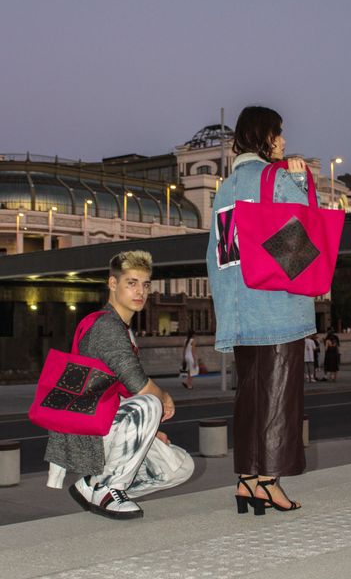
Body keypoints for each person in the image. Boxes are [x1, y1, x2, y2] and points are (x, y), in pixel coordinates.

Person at [207, 105, 317, 515]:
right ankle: (269, 482)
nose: (283, 141)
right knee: (279, 398)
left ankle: (247, 480)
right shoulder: (276, 178)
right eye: (278, 133)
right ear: (263, 137)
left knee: (250, 397)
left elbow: (220, 255)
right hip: (277, 311)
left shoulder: (225, 189)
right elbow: (304, 238)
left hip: (240, 313)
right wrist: (300, 181)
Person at [44, 250, 194, 520]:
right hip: (86, 429)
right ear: (113, 284)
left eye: (145, 284)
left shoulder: (123, 329)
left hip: (107, 424)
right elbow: (138, 385)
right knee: (150, 402)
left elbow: (123, 394)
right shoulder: (106, 325)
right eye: (131, 283)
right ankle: (108, 488)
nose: (141, 291)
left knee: (180, 467)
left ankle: (95, 485)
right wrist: (164, 397)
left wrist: (146, 432)